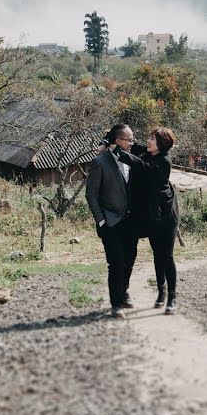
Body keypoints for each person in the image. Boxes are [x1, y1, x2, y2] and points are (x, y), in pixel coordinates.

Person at [109, 127, 180, 314]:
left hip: (165, 216)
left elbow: (143, 167)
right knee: (146, 253)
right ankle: (150, 292)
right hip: (148, 215)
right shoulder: (145, 151)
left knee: (165, 257)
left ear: (162, 144)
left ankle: (170, 296)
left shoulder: (163, 161)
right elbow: (126, 143)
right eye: (149, 138)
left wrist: (117, 152)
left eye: (153, 139)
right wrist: (108, 144)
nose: (148, 141)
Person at [86, 124, 139, 318]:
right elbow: (91, 195)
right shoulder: (99, 162)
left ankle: (123, 290)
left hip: (130, 223)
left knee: (130, 259)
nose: (133, 143)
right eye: (129, 140)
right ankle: (116, 303)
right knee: (116, 263)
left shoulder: (133, 159)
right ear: (118, 141)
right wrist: (101, 221)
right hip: (110, 222)